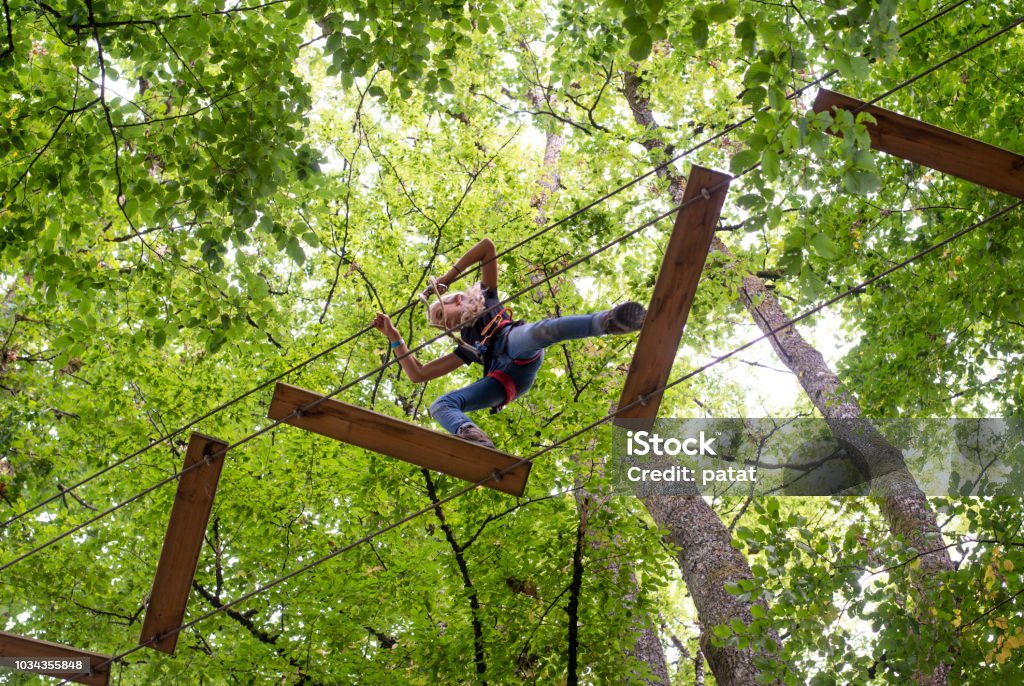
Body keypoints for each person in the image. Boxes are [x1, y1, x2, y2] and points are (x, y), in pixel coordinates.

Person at [371, 238, 646, 449]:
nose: (444, 325)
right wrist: (395, 338)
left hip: (514, 343)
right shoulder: (465, 347)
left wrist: (446, 278)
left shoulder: (486, 297)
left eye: (442, 315)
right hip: (503, 379)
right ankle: (471, 434)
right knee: (440, 405)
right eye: (440, 325)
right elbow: (418, 374)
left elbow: (487, 247)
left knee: (540, 332)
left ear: (456, 300)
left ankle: (609, 322)